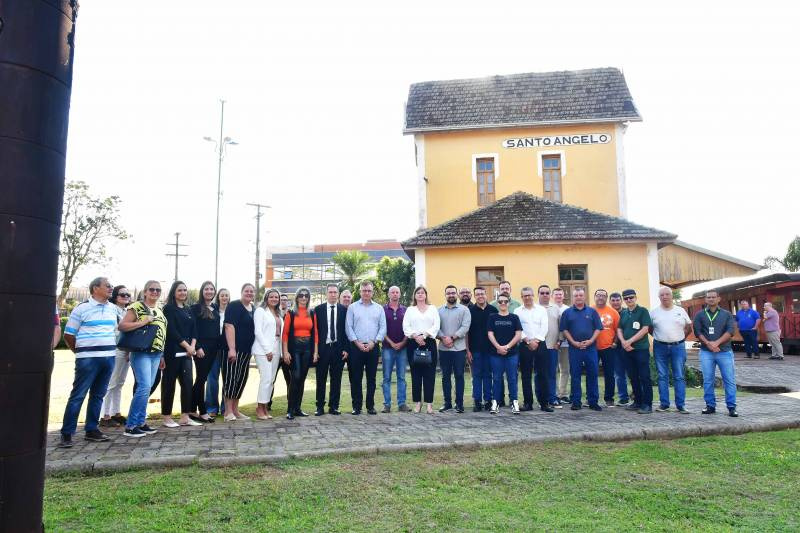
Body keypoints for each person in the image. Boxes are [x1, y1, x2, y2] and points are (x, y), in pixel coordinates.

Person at [58, 277, 118, 447]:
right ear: (95, 288)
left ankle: (92, 429)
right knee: (78, 395)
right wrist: (80, 353)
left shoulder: (113, 309)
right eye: (107, 285)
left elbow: (119, 329)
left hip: (108, 357)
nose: (111, 288)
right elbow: (69, 334)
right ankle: (67, 433)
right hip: (88, 359)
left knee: (98, 395)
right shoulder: (82, 308)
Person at [120, 280, 167, 438]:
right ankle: (131, 425)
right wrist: (143, 321)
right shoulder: (137, 307)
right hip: (141, 352)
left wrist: (162, 355)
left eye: (158, 290)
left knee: (148, 387)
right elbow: (123, 326)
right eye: (152, 289)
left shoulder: (159, 310)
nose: (155, 292)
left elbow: (162, 334)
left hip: (156, 353)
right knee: (144, 386)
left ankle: (141, 422)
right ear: (145, 292)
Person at [161, 281, 201, 428]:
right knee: (169, 385)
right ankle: (166, 417)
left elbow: (194, 330)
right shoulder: (169, 309)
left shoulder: (188, 309)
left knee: (187, 384)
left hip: (187, 354)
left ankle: (185, 416)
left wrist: (192, 347)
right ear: (174, 292)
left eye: (185, 290)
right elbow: (171, 331)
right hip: (172, 352)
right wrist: (187, 346)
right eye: (180, 290)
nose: (183, 293)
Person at [693, 290, 738, 416]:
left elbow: (730, 331)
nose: (711, 299)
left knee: (729, 380)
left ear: (719, 298)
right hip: (706, 352)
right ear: (706, 300)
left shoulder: (727, 314)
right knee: (708, 380)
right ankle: (710, 406)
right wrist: (709, 344)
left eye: (714, 297)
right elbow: (698, 332)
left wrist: (716, 343)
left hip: (724, 351)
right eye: (709, 297)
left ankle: (731, 407)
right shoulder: (700, 315)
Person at [345, 280, 387, 415]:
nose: (366, 293)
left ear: (372, 292)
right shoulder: (352, 308)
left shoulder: (379, 308)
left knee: (371, 379)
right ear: (360, 292)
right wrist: (357, 343)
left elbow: (383, 327)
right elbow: (348, 327)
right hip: (356, 347)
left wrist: (374, 342)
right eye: (364, 290)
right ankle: (356, 406)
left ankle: (370, 406)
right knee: (356, 378)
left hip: (373, 347)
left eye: (369, 290)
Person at [650, 286, 692, 414]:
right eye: (662, 295)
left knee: (679, 375)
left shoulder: (680, 310)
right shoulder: (654, 312)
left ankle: (681, 405)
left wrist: (680, 339)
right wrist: (661, 337)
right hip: (660, 346)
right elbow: (650, 329)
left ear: (672, 296)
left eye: (667, 294)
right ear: (659, 297)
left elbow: (689, 327)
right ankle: (664, 404)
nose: (665, 297)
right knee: (662, 376)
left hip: (678, 347)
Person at [560, 288, 603, 411]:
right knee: (575, 375)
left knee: (593, 374)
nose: (578, 297)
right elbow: (564, 329)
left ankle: (593, 401)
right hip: (574, 349)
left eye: (580, 295)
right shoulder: (567, 313)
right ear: (573, 298)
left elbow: (598, 328)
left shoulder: (592, 311)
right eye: (576, 295)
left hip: (590, 348)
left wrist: (590, 341)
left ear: (584, 296)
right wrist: (573, 342)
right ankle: (576, 401)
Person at [402, 286, 440, 414]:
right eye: (418, 293)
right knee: (416, 375)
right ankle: (418, 403)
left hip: (428, 342)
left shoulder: (433, 309)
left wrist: (424, 336)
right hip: (413, 343)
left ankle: (429, 404)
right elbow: (405, 326)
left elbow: (436, 325)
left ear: (426, 295)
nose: (420, 294)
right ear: (415, 295)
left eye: (422, 292)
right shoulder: (410, 310)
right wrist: (415, 336)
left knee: (429, 375)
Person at [222, 283, 257, 421]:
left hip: (246, 351)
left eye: (251, 291)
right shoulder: (234, 306)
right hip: (233, 350)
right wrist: (232, 349)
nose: (249, 293)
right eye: (246, 291)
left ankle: (236, 410)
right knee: (230, 379)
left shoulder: (253, 308)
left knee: (241, 379)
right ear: (241, 292)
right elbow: (229, 326)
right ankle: (227, 412)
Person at [282, 287, 317, 419]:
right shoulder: (291, 313)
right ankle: (290, 409)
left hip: (307, 348)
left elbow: (316, 334)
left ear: (308, 298)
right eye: (301, 295)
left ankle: (297, 408)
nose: (303, 298)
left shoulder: (312, 313)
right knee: (295, 377)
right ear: (297, 297)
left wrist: (315, 352)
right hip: (294, 348)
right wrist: (285, 352)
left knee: (302, 379)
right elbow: (285, 334)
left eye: (306, 295)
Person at [515, 286, 551, 412]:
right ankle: (528, 403)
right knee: (525, 375)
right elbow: (518, 329)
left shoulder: (541, 310)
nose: (527, 297)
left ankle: (544, 403)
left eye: (529, 295)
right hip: (525, 345)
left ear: (533, 296)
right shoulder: (517, 311)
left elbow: (545, 327)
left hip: (540, 343)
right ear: (522, 297)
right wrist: (527, 340)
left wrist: (536, 340)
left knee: (542, 374)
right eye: (525, 295)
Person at [100, 285, 132, 428]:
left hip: (126, 350)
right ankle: (104, 415)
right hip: (117, 348)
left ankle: (116, 412)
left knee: (120, 383)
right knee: (111, 383)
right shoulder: (112, 310)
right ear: (115, 296)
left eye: (127, 294)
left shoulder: (127, 311)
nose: (125, 296)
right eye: (122, 294)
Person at [314, 284, 349, 415]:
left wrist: (346, 348)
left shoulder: (344, 310)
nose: (333, 294)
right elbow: (315, 332)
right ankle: (319, 407)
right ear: (326, 294)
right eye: (331, 292)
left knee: (336, 379)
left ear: (338, 294)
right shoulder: (318, 310)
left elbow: (346, 331)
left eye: (335, 292)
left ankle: (334, 406)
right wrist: (315, 351)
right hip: (323, 349)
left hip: (338, 349)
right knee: (321, 378)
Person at [617, 289, 653, 414]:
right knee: (633, 377)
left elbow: (645, 329)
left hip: (640, 349)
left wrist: (630, 341)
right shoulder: (624, 313)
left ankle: (647, 404)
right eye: (626, 298)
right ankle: (637, 401)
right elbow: (619, 329)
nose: (628, 300)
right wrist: (623, 342)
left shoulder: (643, 311)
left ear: (636, 297)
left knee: (644, 377)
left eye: (631, 297)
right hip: (627, 350)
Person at [438, 285, 472, 413]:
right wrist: (443, 338)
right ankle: (447, 403)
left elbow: (465, 327)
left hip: (459, 349)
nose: (451, 295)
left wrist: (452, 338)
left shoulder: (464, 310)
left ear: (457, 295)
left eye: (453, 293)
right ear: (445, 295)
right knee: (445, 377)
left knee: (459, 376)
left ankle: (459, 404)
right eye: (448, 293)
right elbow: (435, 327)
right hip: (443, 349)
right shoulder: (438, 310)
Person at [487, 295, 523, 414]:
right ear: (497, 303)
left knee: (512, 379)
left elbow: (518, 334)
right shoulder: (492, 317)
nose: (503, 303)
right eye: (500, 301)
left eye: (505, 301)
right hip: (495, 354)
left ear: (509, 303)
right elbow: (490, 334)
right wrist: (498, 347)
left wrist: (507, 347)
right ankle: (495, 403)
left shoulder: (514, 317)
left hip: (511, 353)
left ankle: (514, 402)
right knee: (497, 379)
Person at [190, 281, 221, 422]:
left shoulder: (215, 307)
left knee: (202, 379)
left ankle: (191, 409)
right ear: (202, 291)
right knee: (201, 379)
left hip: (214, 348)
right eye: (206, 289)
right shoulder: (195, 308)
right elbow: (193, 329)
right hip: (202, 348)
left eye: (211, 289)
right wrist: (197, 347)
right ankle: (202, 411)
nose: (209, 291)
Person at [466, 287, 497, 412]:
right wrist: (467, 350)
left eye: (482, 294)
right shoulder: (470, 311)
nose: (480, 296)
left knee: (488, 375)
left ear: (486, 295)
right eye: (477, 294)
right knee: (477, 376)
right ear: (474, 296)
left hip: (491, 350)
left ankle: (488, 400)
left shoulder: (493, 310)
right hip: (475, 350)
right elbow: (466, 333)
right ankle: (477, 401)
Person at [253, 289, 283, 420]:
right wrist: (267, 350)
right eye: (271, 297)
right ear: (266, 298)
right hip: (263, 350)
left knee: (271, 380)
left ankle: (265, 407)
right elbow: (258, 332)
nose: (274, 299)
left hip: (276, 348)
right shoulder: (260, 311)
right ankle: (259, 408)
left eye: (276, 297)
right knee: (265, 379)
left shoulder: (278, 313)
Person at [381, 286, 408, 413]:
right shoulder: (383, 310)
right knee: (386, 377)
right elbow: (381, 329)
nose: (395, 294)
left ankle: (402, 403)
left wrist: (402, 342)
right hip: (387, 348)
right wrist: (391, 343)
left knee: (401, 377)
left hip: (403, 348)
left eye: (397, 292)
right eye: (392, 292)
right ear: (388, 294)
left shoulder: (406, 310)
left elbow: (409, 328)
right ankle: (387, 404)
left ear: (400, 294)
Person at [593, 289, 620, 407]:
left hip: (608, 347)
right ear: (595, 297)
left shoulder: (613, 312)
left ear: (606, 298)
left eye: (603, 296)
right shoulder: (590, 310)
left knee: (609, 374)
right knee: (592, 373)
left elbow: (618, 329)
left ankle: (609, 398)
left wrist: (615, 342)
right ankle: (591, 398)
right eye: (598, 295)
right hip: (592, 347)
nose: (600, 297)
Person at [205, 288, 229, 418]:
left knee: (227, 379)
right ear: (218, 297)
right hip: (213, 349)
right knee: (212, 379)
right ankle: (211, 407)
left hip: (227, 348)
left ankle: (225, 408)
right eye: (222, 295)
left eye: (226, 295)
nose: (224, 297)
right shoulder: (212, 310)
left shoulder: (232, 311)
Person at [539, 285, 563, 409]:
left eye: (547, 293)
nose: (545, 295)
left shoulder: (556, 308)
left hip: (553, 346)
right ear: (538, 294)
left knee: (552, 373)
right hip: (538, 346)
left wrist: (559, 341)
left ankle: (552, 398)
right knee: (539, 374)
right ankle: (541, 399)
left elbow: (561, 327)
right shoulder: (535, 308)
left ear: (550, 295)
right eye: (542, 293)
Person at [268, 292, 292, 411]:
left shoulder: (291, 314)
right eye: (281, 299)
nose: (282, 301)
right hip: (275, 351)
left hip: (286, 353)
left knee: (290, 380)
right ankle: (267, 403)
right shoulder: (273, 314)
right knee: (271, 378)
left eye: (284, 300)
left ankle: (290, 404)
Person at [609, 292, 630, 404]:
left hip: (628, 346)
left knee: (632, 372)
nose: (616, 302)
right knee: (619, 373)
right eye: (613, 300)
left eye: (617, 300)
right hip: (614, 348)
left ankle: (637, 395)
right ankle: (623, 398)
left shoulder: (627, 312)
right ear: (610, 301)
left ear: (621, 301)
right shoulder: (608, 313)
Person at [553, 288, 571, 404]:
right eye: (556, 294)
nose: (558, 296)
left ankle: (563, 394)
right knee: (552, 370)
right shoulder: (549, 308)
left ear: (563, 296)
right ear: (552, 296)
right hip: (552, 344)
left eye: (560, 294)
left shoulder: (568, 309)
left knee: (565, 370)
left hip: (565, 344)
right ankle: (553, 394)